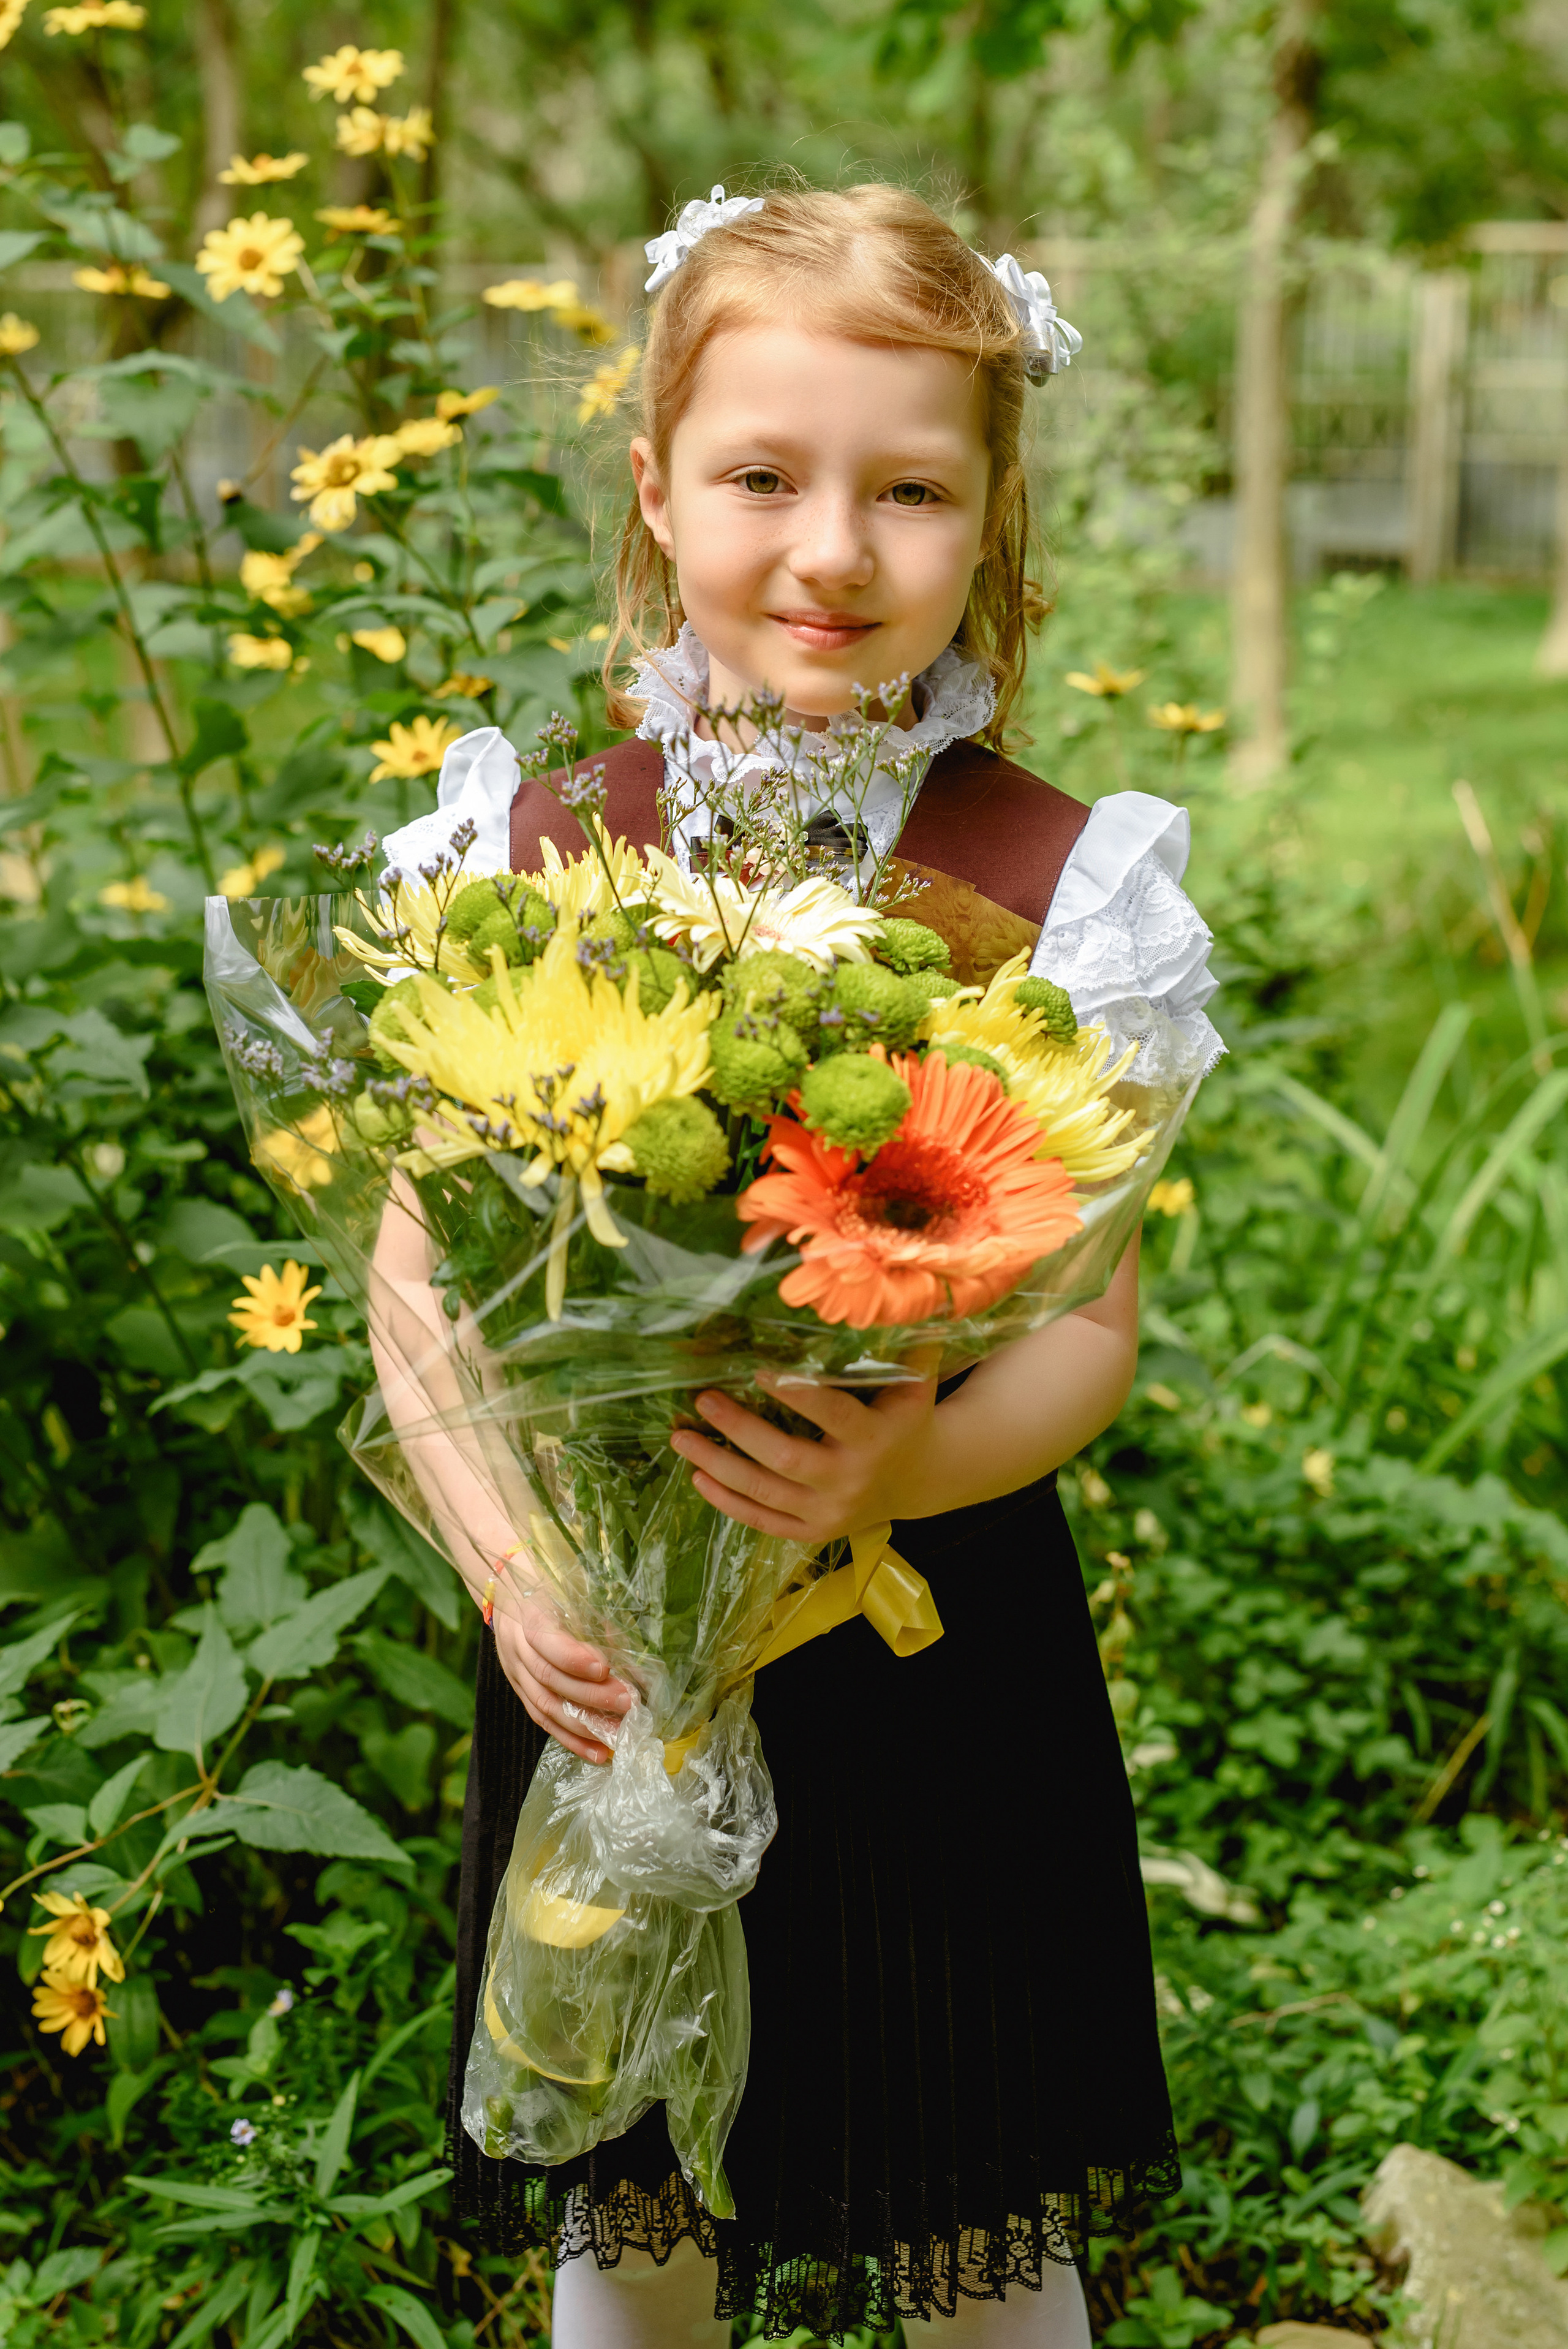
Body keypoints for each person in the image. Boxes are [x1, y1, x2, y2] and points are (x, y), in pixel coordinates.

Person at [380, 181, 1224, 2349]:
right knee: (633, 2190)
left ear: (990, 520)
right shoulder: (528, 854)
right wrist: (512, 1568)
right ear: (658, 492)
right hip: (616, 1662)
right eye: (764, 475)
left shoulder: (1062, 890)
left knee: (973, 2203)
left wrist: (890, 1478)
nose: (832, 550)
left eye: (910, 489)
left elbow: (1093, 1335)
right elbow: (418, 1281)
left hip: (934, 1644)